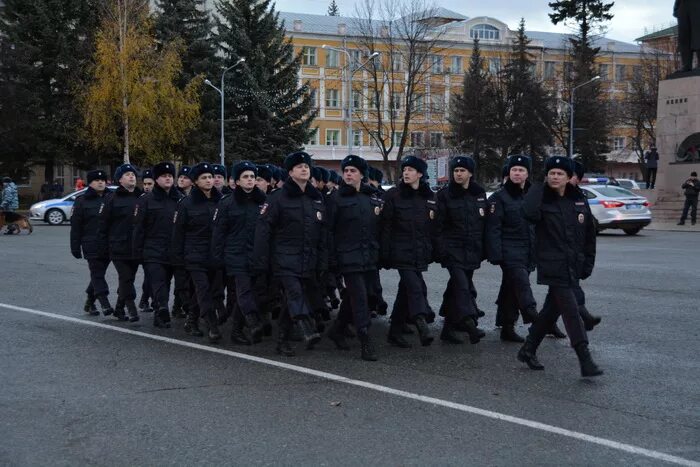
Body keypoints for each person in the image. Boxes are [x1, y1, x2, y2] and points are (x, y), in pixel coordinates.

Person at [518, 156, 602, 378]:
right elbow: (527, 213)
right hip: (552, 265)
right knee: (571, 311)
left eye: (559, 174)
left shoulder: (578, 200)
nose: (555, 177)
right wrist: (539, 184)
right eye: (551, 173)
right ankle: (585, 358)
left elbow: (588, 235)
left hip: (573, 265)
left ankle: (528, 349)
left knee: (550, 311)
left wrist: (588, 262)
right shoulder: (541, 199)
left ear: (569, 177)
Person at [253, 151, 327, 356]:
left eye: (307, 166)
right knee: (294, 293)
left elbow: (322, 231)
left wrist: (322, 259)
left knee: (289, 301)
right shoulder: (278, 198)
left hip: (307, 257)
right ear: (290, 172)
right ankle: (305, 327)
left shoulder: (316, 198)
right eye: (299, 167)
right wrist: (261, 261)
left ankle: (282, 341)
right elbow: (263, 230)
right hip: (283, 257)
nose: (304, 169)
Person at [325, 155, 381, 361]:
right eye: (346, 171)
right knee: (360, 297)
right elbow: (328, 231)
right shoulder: (336, 198)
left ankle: (338, 329)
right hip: (347, 257)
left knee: (359, 295)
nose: (348, 174)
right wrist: (332, 259)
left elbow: (378, 228)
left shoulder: (372, 198)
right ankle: (365, 339)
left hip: (368, 256)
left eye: (352, 171)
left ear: (361, 175)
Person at [381, 156, 436, 348]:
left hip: (419, 251)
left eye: (411, 170)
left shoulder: (428, 196)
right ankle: (421, 322)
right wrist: (385, 253)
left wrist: (432, 250)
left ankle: (394, 332)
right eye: (404, 170)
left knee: (405, 291)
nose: (406, 173)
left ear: (420, 174)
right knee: (415, 287)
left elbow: (432, 227)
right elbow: (385, 226)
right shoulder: (393, 195)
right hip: (400, 251)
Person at [487, 155, 542, 343]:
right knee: (521, 283)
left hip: (528, 249)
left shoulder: (533, 195)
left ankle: (507, 326)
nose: (517, 173)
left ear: (527, 174)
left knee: (510, 288)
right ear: (508, 173)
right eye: (514, 170)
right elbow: (493, 227)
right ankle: (533, 314)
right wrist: (496, 254)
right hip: (509, 250)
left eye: (521, 170)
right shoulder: (499, 197)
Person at [212, 161, 267, 344]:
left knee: (249, 292)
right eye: (246, 177)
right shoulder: (227, 203)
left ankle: (236, 330)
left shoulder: (263, 202)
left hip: (256, 254)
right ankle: (253, 322)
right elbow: (219, 232)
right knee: (243, 291)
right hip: (235, 254)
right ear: (236, 181)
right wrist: (217, 257)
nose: (250, 180)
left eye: (253, 177)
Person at [435, 156, 486, 345]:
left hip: (472, 250)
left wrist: (484, 249)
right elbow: (438, 226)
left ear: (470, 173)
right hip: (452, 250)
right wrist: (441, 250)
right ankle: (469, 323)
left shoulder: (479, 194)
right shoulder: (444, 195)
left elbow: (483, 224)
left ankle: (448, 329)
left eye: (462, 171)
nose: (458, 174)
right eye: (455, 171)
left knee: (455, 288)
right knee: (462, 286)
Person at [172, 162, 223, 342]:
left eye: (210, 177)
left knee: (203, 291)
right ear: (195, 182)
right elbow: (178, 233)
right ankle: (212, 324)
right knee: (203, 290)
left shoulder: (221, 201)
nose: (209, 180)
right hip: (194, 255)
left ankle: (191, 320)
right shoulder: (186, 204)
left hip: (215, 255)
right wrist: (178, 258)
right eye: (204, 178)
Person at [133, 162, 182, 328]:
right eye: (164, 176)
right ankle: (161, 308)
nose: (168, 178)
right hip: (152, 250)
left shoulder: (180, 199)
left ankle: (160, 310)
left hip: (173, 250)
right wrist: (137, 252)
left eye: (170, 176)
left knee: (167, 282)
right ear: (156, 179)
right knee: (158, 281)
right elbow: (138, 228)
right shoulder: (146, 200)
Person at [98, 164, 143, 322]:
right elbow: (103, 224)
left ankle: (118, 308)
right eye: (128, 174)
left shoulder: (142, 197)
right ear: (120, 179)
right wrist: (103, 247)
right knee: (125, 277)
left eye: (133, 174)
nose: (132, 177)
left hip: (136, 246)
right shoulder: (111, 198)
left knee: (129, 278)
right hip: (118, 246)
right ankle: (131, 308)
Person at [70, 170, 113, 316]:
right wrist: (75, 247)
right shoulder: (81, 201)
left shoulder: (111, 197)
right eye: (96, 180)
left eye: (102, 180)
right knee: (97, 273)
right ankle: (104, 302)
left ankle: (90, 301)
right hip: (91, 243)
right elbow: (76, 226)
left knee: (98, 273)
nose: (100, 182)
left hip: (109, 243)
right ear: (90, 183)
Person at [138, 168, 155, 314]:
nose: (147, 186)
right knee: (150, 275)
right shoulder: (142, 199)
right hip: (146, 246)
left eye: (150, 183)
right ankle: (145, 300)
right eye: (145, 183)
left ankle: (146, 299)